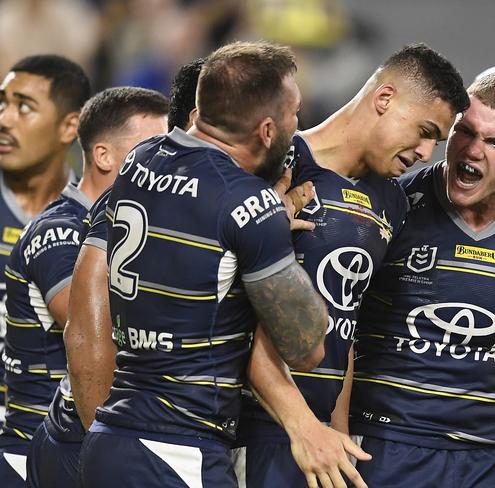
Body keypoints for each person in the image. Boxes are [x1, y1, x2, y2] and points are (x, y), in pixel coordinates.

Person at [77, 41, 328, 487]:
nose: (298, 124)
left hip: (109, 440)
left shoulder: (138, 161)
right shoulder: (247, 205)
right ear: (267, 130)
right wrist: (272, 238)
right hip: (177, 451)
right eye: (293, 113)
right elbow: (307, 348)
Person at [234, 43, 470, 488]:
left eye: (435, 142)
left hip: (321, 440)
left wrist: (336, 435)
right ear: (384, 98)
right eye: (424, 131)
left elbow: (348, 327)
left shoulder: (391, 201)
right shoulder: (277, 163)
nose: (426, 152)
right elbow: (230, 310)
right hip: (254, 430)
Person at [349, 73, 495, 487]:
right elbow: (340, 334)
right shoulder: (392, 205)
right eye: (465, 131)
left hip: (486, 464)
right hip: (381, 453)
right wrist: (333, 437)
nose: (473, 150)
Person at [5, 87, 167, 488]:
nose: (165, 164)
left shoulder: (134, 229)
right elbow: (93, 328)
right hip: (33, 455)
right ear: (103, 156)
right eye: (151, 149)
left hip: (86, 444)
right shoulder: (60, 231)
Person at [64, 56, 207, 435]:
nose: (155, 159)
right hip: (95, 433)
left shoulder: (195, 207)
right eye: (148, 146)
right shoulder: (69, 227)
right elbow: (85, 336)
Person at [0, 53, 90, 475]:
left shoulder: (91, 222)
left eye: (24, 107)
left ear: (69, 126)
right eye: (2, 102)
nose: (5, 119)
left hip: (50, 448)